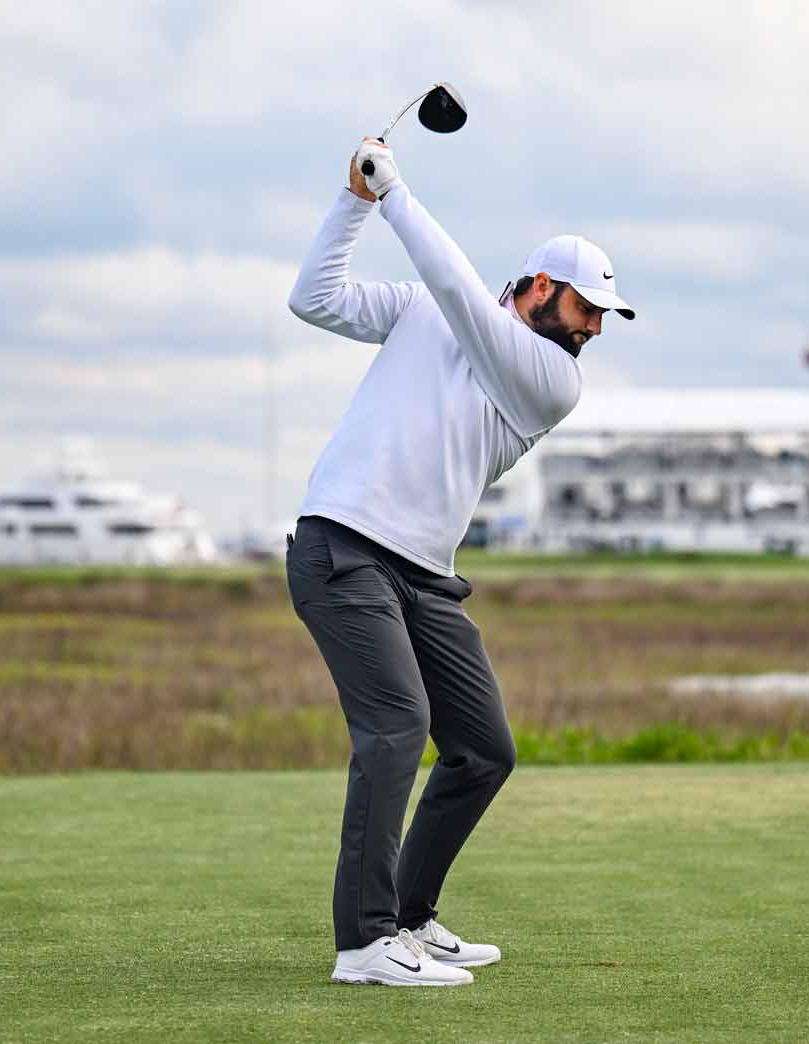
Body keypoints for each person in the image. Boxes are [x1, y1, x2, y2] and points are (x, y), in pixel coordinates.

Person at [284, 137, 633, 986]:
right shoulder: (425, 307)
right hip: (344, 545)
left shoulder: (552, 379)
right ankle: (365, 944)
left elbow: (462, 296)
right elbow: (312, 298)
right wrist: (356, 201)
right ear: (541, 287)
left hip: (421, 574)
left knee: (482, 747)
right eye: (586, 307)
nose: (593, 328)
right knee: (398, 726)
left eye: (602, 317)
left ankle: (408, 918)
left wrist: (398, 191)